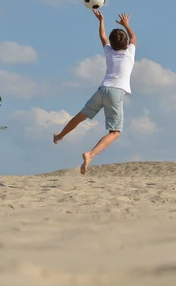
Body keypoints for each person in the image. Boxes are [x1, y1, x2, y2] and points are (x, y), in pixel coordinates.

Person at [53, 9, 136, 174]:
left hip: (102, 89)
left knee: (81, 116)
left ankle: (60, 135)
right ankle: (90, 154)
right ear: (126, 43)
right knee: (115, 132)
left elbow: (103, 37)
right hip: (116, 92)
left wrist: (101, 21)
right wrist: (126, 24)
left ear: (111, 44)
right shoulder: (129, 53)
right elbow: (133, 37)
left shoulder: (109, 53)